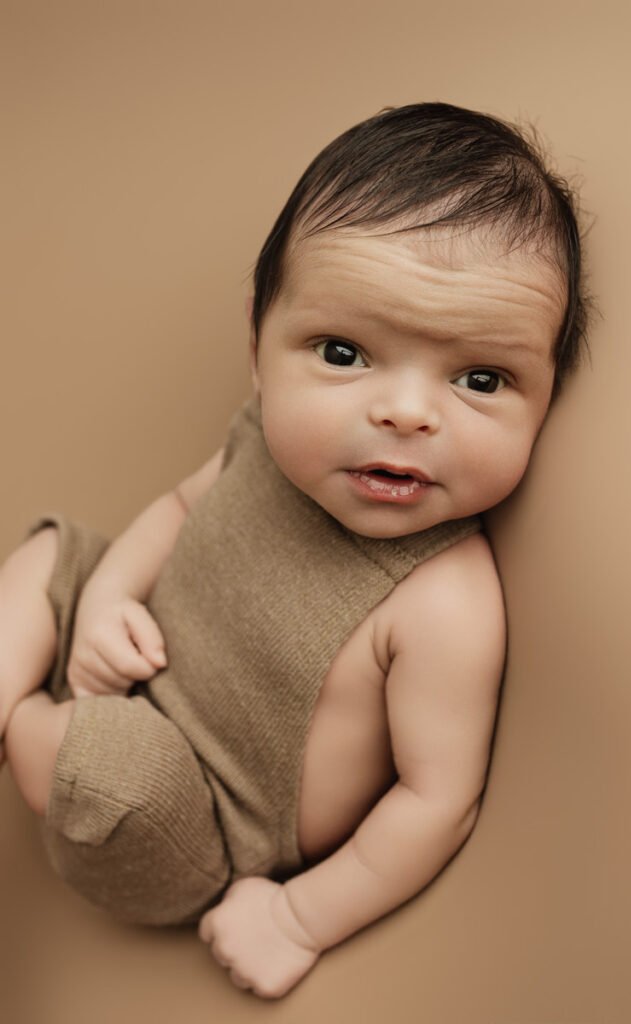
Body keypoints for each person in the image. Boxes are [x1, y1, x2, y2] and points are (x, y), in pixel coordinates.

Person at [0, 102, 589, 999]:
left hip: (198, 816)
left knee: (114, 775)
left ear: (546, 393)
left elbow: (436, 802)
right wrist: (111, 593)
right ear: (257, 349)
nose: (403, 412)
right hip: (136, 657)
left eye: (480, 379)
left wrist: (297, 915)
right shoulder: (268, 444)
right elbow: (176, 506)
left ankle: (21, 726)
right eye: (344, 352)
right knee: (52, 553)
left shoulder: (442, 600)